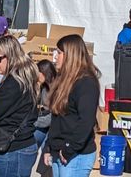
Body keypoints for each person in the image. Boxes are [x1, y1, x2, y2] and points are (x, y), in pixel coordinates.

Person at [45, 33, 101, 177]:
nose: (55, 56)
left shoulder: (86, 83)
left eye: (59, 53)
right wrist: (48, 147)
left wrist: (69, 148)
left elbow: (86, 121)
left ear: (70, 55)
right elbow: (56, 119)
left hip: (75, 156)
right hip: (59, 151)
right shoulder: (62, 80)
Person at [0, 34, 40, 177]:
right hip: (18, 146)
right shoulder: (23, 78)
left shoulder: (14, 83)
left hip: (14, 149)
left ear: (11, 56)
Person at [34, 60, 57, 177]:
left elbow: (52, 118)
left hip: (52, 124)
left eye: (38, 72)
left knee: (45, 149)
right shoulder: (43, 87)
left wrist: (34, 122)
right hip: (43, 122)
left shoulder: (55, 89)